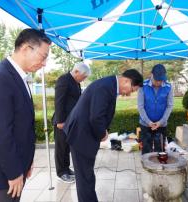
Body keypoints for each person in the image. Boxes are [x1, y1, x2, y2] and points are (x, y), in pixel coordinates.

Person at [0, 28, 51, 201]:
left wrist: (26, 162)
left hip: (12, 168)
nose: (44, 63)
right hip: (0, 174)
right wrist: (13, 171)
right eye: (43, 57)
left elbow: (21, 125)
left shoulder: (17, 76)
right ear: (26, 49)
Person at [63, 69, 143, 202]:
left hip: (84, 133)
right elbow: (96, 117)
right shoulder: (105, 87)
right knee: (84, 176)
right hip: (80, 135)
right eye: (133, 90)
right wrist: (102, 133)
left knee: (86, 174)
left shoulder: (109, 84)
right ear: (126, 81)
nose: (130, 93)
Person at [52, 62, 91, 183]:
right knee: (61, 148)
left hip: (71, 121)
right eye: (83, 77)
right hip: (62, 121)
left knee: (67, 147)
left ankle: (66, 169)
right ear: (77, 72)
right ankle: (61, 172)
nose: (83, 79)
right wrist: (60, 120)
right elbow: (59, 101)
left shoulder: (75, 82)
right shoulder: (64, 80)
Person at [138, 64, 174, 154]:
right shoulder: (143, 86)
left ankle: (159, 167)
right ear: (151, 75)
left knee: (160, 150)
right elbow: (140, 106)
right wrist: (148, 122)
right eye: (157, 80)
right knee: (146, 150)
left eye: (161, 80)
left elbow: (170, 106)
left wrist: (161, 122)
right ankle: (146, 167)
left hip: (161, 125)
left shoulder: (169, 87)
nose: (159, 82)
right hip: (145, 124)